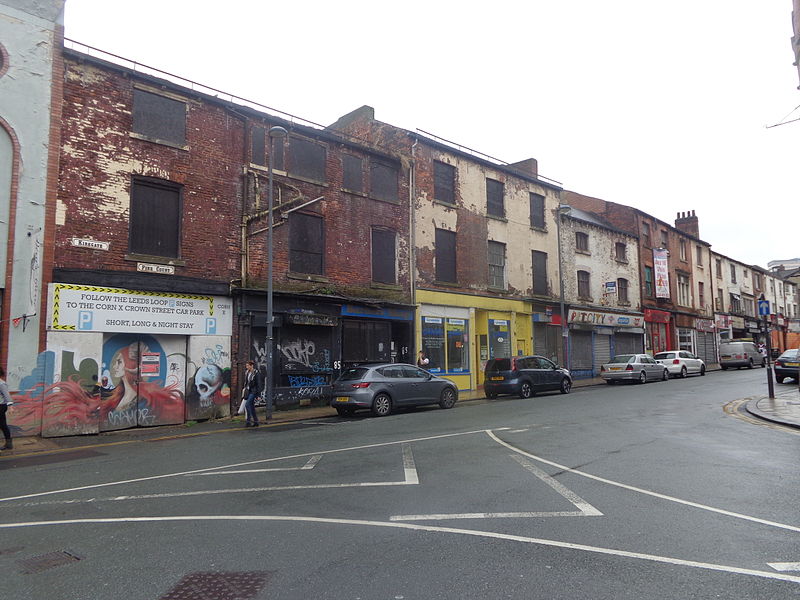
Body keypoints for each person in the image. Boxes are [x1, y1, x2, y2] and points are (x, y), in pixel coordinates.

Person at [242, 360, 262, 428]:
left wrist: (259, 395)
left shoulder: (256, 373)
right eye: (246, 366)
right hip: (249, 391)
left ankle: (248, 421)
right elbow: (246, 382)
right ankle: (256, 421)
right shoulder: (247, 372)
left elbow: (259, 384)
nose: (247, 367)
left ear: (251, 365)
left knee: (247, 405)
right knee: (252, 407)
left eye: (248, 366)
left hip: (254, 391)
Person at [0, 367, 13, 450]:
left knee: (3, 425)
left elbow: (7, 396)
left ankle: (9, 443)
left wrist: (10, 407)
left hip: (0, 406)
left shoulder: (1, 384)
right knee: (3, 425)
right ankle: (9, 444)